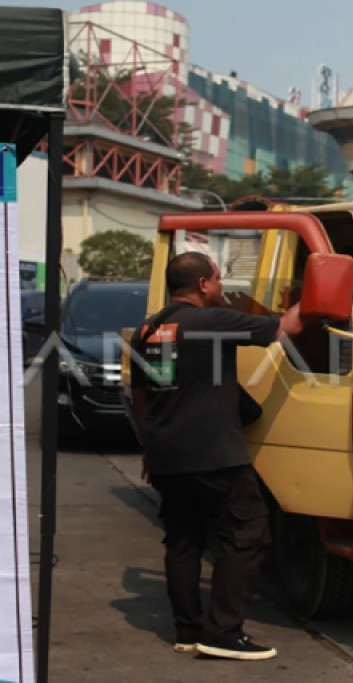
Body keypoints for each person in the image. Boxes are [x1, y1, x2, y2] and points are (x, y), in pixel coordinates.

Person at [130, 252, 305, 660]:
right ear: (205, 284)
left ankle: (187, 630)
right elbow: (288, 326)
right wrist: (314, 291)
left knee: (184, 540)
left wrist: (149, 445)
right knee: (250, 532)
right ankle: (223, 632)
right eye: (217, 279)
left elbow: (142, 394)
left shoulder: (149, 328)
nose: (221, 286)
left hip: (167, 454)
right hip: (214, 453)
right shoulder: (213, 321)